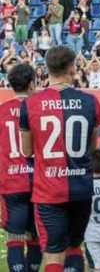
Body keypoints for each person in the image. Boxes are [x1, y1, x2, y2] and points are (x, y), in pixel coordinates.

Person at [20, 46, 100, 272]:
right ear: (73, 68)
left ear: (46, 69)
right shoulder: (91, 102)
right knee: (75, 246)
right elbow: (92, 147)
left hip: (49, 190)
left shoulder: (30, 103)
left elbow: (26, 151)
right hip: (81, 188)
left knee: (53, 253)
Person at [0, 63, 41, 272]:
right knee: (36, 236)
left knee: (15, 238)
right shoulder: (40, 109)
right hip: (40, 184)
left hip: (12, 184)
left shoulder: (2, 111)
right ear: (32, 84)